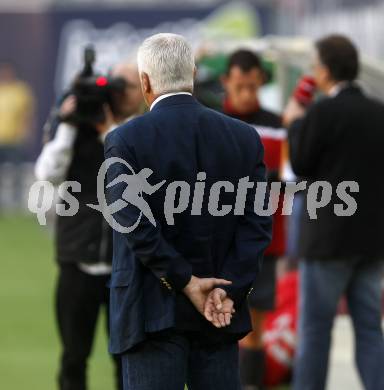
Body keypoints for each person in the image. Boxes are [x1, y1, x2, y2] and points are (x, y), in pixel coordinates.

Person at [105, 33, 272, 390]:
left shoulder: (125, 140)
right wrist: (229, 289)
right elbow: (257, 224)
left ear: (145, 82)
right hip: (220, 311)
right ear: (193, 74)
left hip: (151, 312)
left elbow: (133, 225)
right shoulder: (243, 137)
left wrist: (184, 280)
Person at [35, 61, 144, 390]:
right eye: (117, 85)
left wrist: (109, 132)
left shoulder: (144, 129)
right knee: (73, 357)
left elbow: (135, 176)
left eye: (129, 86)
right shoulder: (76, 131)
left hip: (124, 269)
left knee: (127, 360)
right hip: (76, 262)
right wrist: (68, 124)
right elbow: (47, 174)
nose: (121, 93)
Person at [285, 34, 384, 390]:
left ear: (325, 71)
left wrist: (295, 123)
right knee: (370, 330)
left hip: (327, 241)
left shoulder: (321, 113)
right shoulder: (378, 112)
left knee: (315, 330)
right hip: (372, 240)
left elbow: (300, 163)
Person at [221, 49, 285, 390]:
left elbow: (292, 179)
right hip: (221, 242)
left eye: (252, 86)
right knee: (222, 322)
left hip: (267, 242)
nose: (246, 93)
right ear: (226, 82)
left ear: (261, 81)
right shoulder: (213, 121)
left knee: (255, 328)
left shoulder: (277, 125)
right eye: (239, 86)